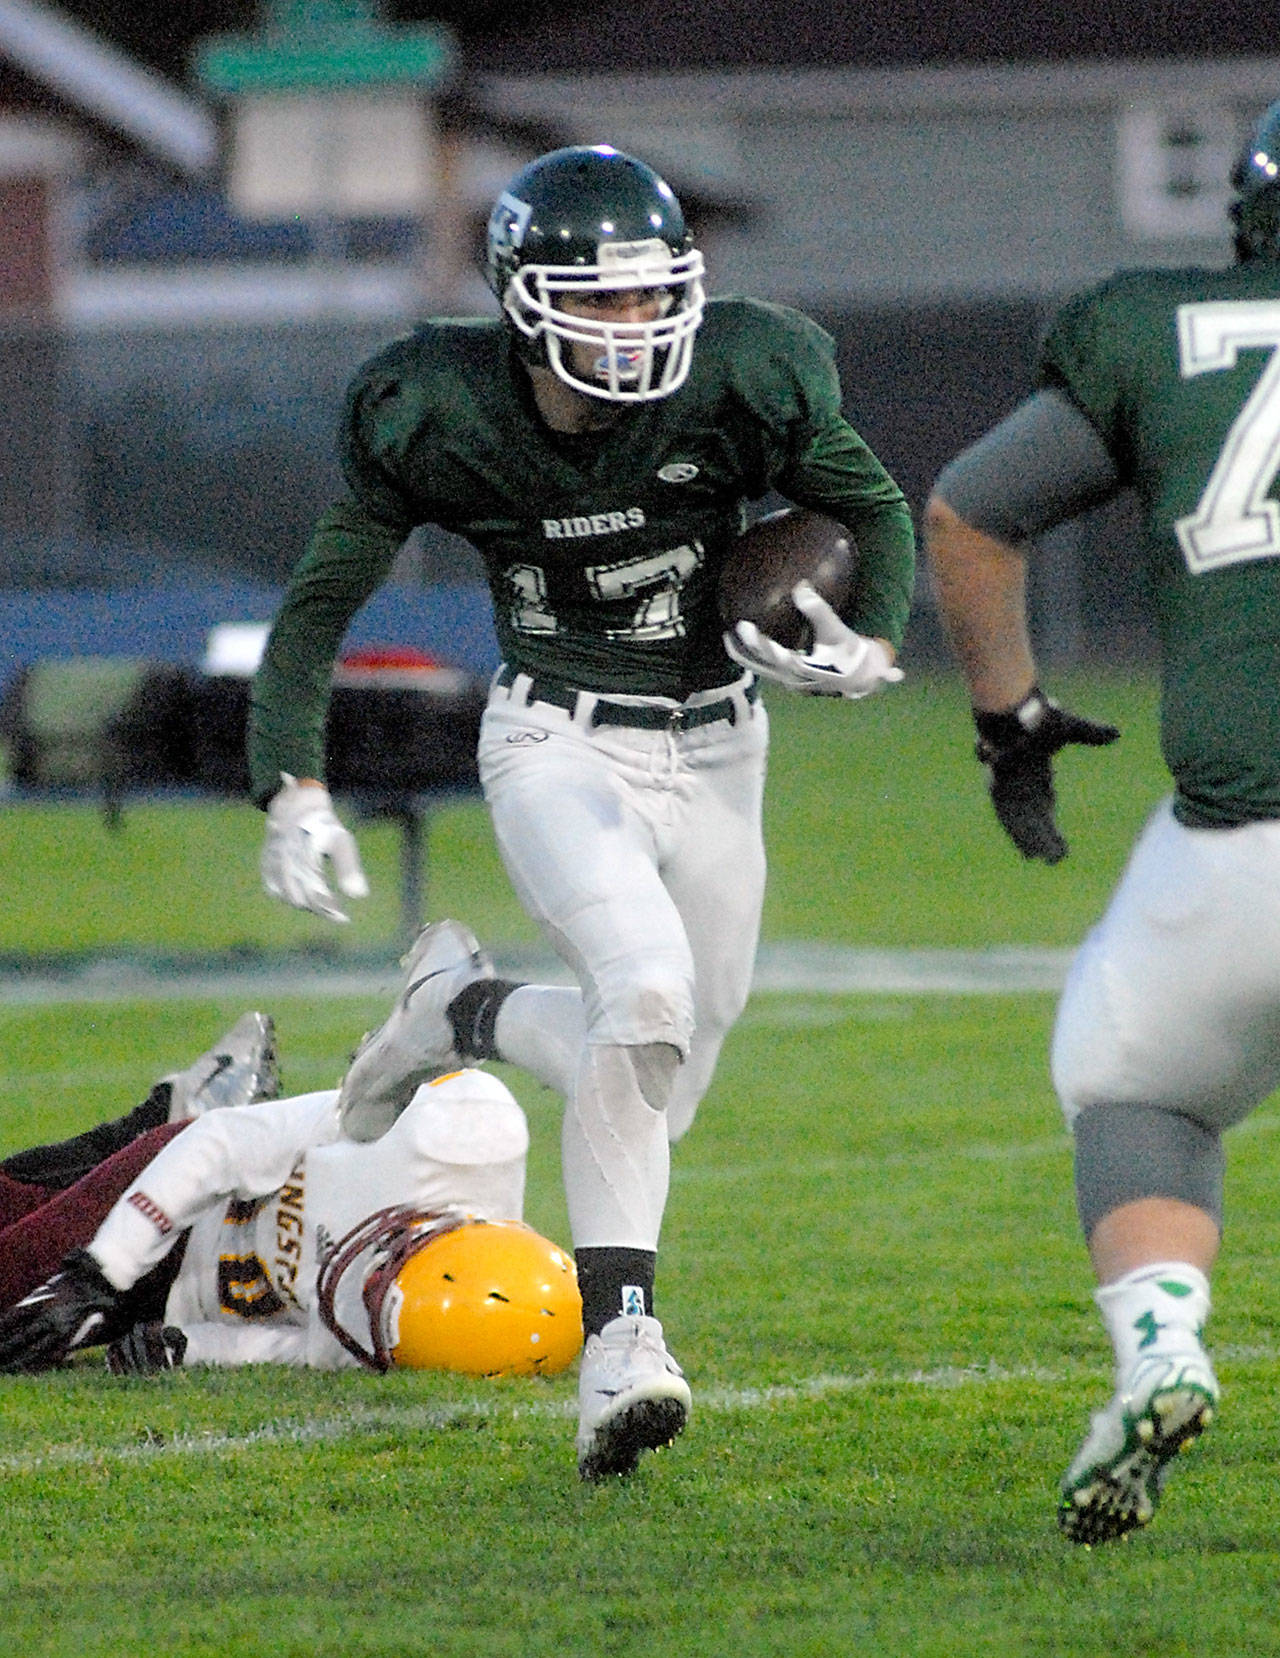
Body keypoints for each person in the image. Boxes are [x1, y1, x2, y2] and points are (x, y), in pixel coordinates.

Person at [246, 144, 916, 1478]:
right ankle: (622, 1340)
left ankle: (462, 1014)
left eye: (648, 297)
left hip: (726, 748)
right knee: (646, 993)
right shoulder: (438, 407)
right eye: (597, 301)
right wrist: (294, 782)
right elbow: (318, 609)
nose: (631, 326)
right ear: (522, 297)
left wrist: (873, 637)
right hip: (559, 739)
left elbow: (870, 504)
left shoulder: (745, 375)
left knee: (661, 1082)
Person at [922, 99, 1280, 1544]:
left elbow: (965, 516)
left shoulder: (1159, 329)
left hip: (1241, 851)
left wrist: (1010, 717)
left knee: (1138, 1082)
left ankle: (1161, 1349)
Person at [0, 1011, 580, 1377]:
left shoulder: (401, 1334)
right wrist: (102, 1271)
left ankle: (168, 1107)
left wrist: (190, 1346)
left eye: (376, 1313)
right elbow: (221, 1143)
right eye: (382, 1280)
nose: (362, 1291)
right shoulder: (434, 1142)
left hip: (178, 1296)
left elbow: (299, 1348)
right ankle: (171, 1115)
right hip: (191, 1193)